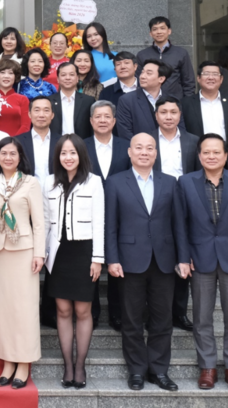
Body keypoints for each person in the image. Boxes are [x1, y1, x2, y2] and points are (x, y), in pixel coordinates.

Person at [105, 133, 190, 392]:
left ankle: (159, 370)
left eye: (149, 148)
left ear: (156, 153)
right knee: (131, 319)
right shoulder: (115, 182)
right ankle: (137, 371)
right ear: (129, 152)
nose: (144, 152)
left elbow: (179, 224)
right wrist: (112, 258)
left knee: (162, 318)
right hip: (129, 261)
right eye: (139, 148)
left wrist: (184, 258)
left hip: (164, 260)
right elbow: (110, 225)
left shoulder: (170, 182)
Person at [178, 134, 228, 393]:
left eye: (216, 152)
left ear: (225, 156)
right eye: (206, 152)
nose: (211, 156)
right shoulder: (186, 182)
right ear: (199, 156)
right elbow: (180, 225)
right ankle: (208, 367)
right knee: (201, 317)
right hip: (199, 258)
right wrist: (183, 256)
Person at [43, 134, 104, 389]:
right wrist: (41, 253)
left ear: (81, 155)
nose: (68, 157)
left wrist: (98, 258)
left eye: (73, 153)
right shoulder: (48, 183)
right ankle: (67, 365)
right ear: (58, 157)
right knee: (63, 310)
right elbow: (45, 222)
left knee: (82, 311)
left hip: (83, 252)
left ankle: (80, 365)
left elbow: (100, 221)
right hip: (58, 253)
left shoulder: (93, 182)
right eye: (63, 153)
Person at [0, 137, 44, 389]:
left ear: (20, 157)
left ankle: (24, 362)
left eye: (13, 153)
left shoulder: (31, 183)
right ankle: (8, 361)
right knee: (3, 309)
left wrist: (39, 253)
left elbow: (39, 222)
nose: (8, 157)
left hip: (24, 251)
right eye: (3, 153)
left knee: (24, 308)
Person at [152, 96, 200, 332]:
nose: (168, 116)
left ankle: (179, 312)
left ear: (180, 115)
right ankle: (155, 312)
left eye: (173, 112)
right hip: (155, 204)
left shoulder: (193, 141)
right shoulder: (147, 141)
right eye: (163, 112)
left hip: (186, 202)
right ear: (156, 115)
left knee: (183, 255)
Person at [84, 101, 131, 331]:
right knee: (89, 265)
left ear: (114, 121)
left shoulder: (128, 146)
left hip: (121, 214)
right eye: (98, 116)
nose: (102, 120)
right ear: (91, 121)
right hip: (88, 214)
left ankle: (117, 314)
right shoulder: (81, 147)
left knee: (117, 264)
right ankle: (91, 314)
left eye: (107, 116)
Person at [182, 61, 228, 174]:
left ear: (221, 79)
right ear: (198, 78)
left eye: (215, 74)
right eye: (206, 74)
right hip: (197, 163)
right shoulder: (185, 104)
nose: (211, 77)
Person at [116, 60, 183, 141]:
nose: (142, 76)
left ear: (161, 79)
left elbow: (180, 128)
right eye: (142, 72)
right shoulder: (127, 100)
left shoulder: (173, 100)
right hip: (141, 151)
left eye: (149, 73)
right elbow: (125, 133)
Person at [136, 16, 196, 99]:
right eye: (155, 29)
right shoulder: (142, 54)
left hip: (175, 102)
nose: (159, 32)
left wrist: (187, 103)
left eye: (162, 28)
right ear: (150, 33)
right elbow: (138, 81)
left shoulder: (181, 53)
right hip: (148, 102)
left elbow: (188, 81)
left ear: (169, 31)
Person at [15, 95, 60, 187]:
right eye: (36, 110)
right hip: (27, 194)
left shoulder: (62, 141)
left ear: (52, 115)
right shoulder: (17, 142)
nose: (41, 115)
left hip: (57, 194)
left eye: (46, 110)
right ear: (29, 114)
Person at [49, 62, 95, 139]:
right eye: (63, 75)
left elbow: (92, 127)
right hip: (55, 146)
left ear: (77, 78)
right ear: (58, 79)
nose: (68, 78)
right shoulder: (48, 101)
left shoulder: (88, 101)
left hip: (82, 146)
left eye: (71, 74)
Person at [0, 59, 30, 136]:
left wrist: (13, 142)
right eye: (2, 72)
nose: (6, 76)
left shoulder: (23, 99)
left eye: (11, 73)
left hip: (17, 143)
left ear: (15, 77)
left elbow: (26, 126)